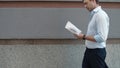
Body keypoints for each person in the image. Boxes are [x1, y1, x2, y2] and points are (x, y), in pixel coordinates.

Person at [74, 0, 109, 68]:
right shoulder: (95, 15)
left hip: (96, 52)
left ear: (93, 1)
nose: (85, 6)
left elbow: (102, 38)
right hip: (89, 51)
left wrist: (83, 36)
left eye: (86, 3)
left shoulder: (100, 15)